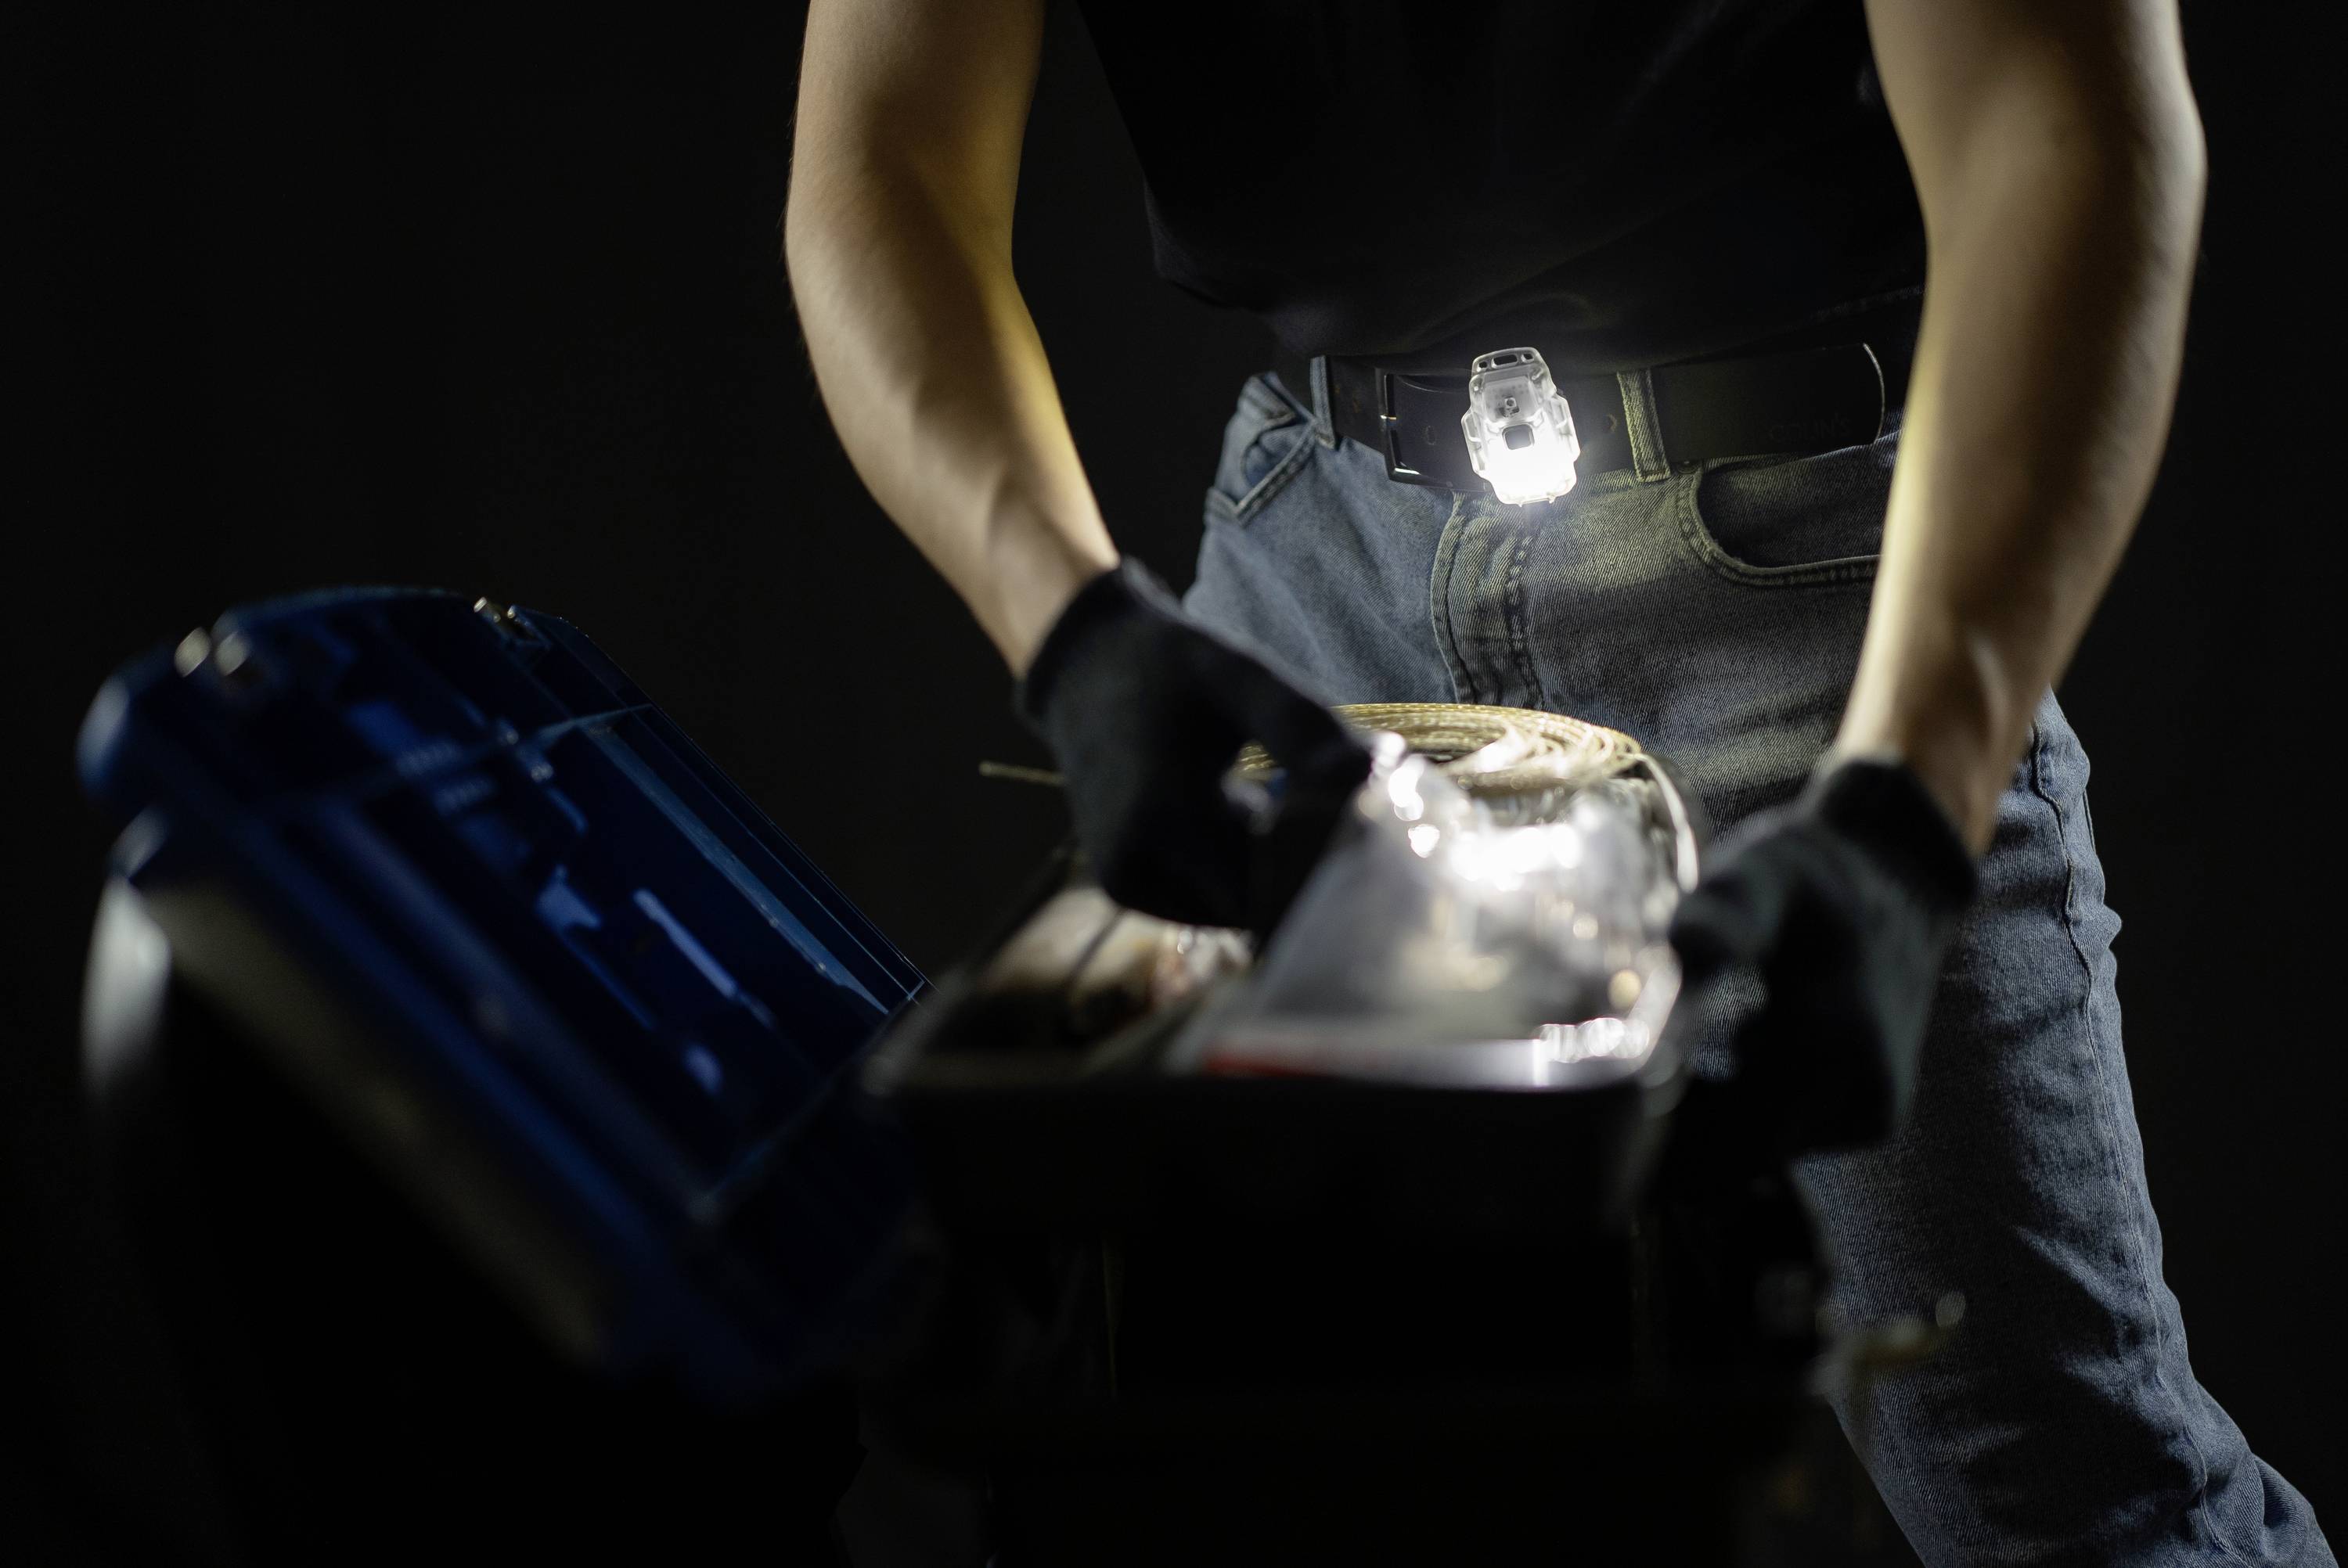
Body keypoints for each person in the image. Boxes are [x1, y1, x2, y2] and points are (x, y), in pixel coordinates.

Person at [783, 2, 2335, 1563]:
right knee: (1283, 1468)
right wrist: (1073, 628)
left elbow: (2058, 123)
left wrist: (1911, 793)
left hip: (1802, 571)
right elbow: (879, 159)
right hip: (1321, 562)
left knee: (2055, 1502)